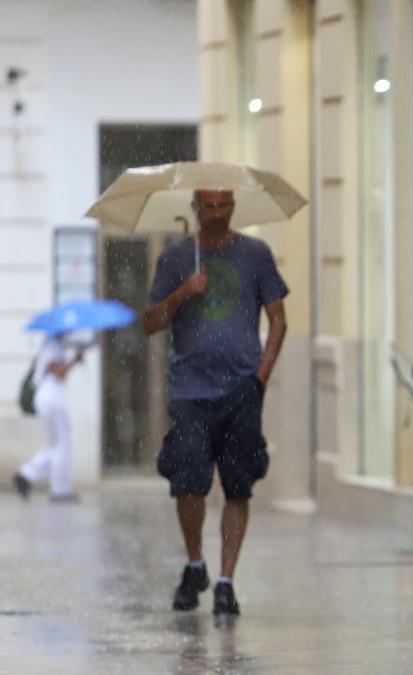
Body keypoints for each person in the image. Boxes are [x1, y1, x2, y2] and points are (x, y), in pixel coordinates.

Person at [143, 188, 288, 616]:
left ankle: (226, 581)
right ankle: (195, 565)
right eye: (209, 207)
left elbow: (278, 317)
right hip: (190, 390)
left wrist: (261, 377)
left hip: (242, 389)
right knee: (187, 481)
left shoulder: (256, 254)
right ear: (195, 209)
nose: (218, 214)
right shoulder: (174, 259)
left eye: (226, 206)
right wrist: (183, 292)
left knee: (238, 484)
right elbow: (151, 322)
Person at [13, 333, 87, 502]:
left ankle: (26, 475)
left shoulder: (54, 346)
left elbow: (60, 372)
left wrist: (74, 359)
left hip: (51, 399)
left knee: (56, 445)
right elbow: (59, 373)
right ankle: (60, 490)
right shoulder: (52, 346)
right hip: (52, 400)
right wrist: (75, 360)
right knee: (62, 445)